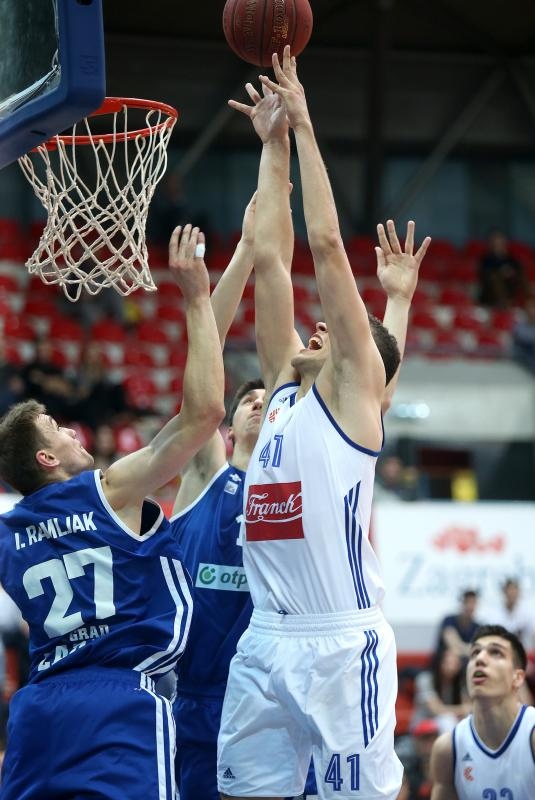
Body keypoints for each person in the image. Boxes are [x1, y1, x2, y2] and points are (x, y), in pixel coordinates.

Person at [218, 47, 431, 800]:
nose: (318, 327)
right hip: (265, 640)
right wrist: (270, 145)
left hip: (340, 644)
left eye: (338, 331)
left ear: (356, 364)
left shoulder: (352, 407)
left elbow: (324, 248)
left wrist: (306, 126)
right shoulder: (282, 388)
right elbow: (271, 258)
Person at [0, 223, 225, 800]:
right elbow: (203, 416)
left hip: (36, 712)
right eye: (57, 427)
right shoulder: (108, 489)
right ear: (47, 457)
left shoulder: (8, 531)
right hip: (116, 699)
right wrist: (197, 297)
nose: (73, 427)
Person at [169, 194, 265, 800]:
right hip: (187, 694)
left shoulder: (286, 491)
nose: (258, 401)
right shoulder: (206, 468)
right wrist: (249, 250)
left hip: (256, 699)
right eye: (247, 400)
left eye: (268, 401)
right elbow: (209, 351)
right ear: (226, 427)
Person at [429, 624, 535, 799]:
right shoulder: (447, 749)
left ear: (518, 677)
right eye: (474, 653)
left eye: (496, 652)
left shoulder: (531, 735)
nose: (480, 659)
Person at [477, 229, 528, 308]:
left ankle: (527, 301)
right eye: (495, 242)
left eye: (500, 241)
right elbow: (484, 274)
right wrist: (501, 272)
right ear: (491, 243)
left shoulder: (511, 258)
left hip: (510, 285)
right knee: (494, 277)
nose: (498, 244)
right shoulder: (486, 259)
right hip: (491, 292)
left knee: (521, 276)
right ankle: (503, 303)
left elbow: (518, 269)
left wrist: (510, 272)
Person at [435, 589, 482, 662]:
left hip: (466, 668)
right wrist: (472, 649)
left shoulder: (477, 627)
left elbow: (479, 650)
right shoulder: (449, 620)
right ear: (461, 603)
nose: (470, 606)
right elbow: (454, 647)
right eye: (467, 602)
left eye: (473, 603)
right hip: (442, 666)